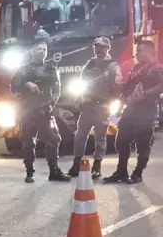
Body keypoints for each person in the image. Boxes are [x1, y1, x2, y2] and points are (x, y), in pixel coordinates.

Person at [11, 39, 71, 183]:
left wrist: (51, 104)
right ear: (32, 51)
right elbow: (14, 89)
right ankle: (29, 172)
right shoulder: (23, 70)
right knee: (28, 142)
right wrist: (26, 85)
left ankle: (54, 170)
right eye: (39, 49)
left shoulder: (51, 69)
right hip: (28, 110)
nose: (42, 52)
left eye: (44, 49)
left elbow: (57, 90)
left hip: (46, 110)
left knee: (54, 139)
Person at [104, 40, 163, 184]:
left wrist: (145, 94)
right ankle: (121, 172)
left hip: (146, 110)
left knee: (143, 145)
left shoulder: (156, 68)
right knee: (121, 141)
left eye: (139, 51)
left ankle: (137, 174)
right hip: (130, 110)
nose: (136, 54)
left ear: (149, 52)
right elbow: (128, 87)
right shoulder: (137, 68)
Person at [67, 36, 123, 179]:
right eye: (97, 47)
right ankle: (76, 164)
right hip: (87, 106)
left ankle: (97, 165)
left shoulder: (112, 66)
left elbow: (117, 88)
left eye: (102, 47)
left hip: (102, 107)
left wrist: (111, 104)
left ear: (107, 48)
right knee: (80, 136)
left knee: (100, 138)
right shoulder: (89, 64)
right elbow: (81, 82)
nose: (99, 50)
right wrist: (79, 99)